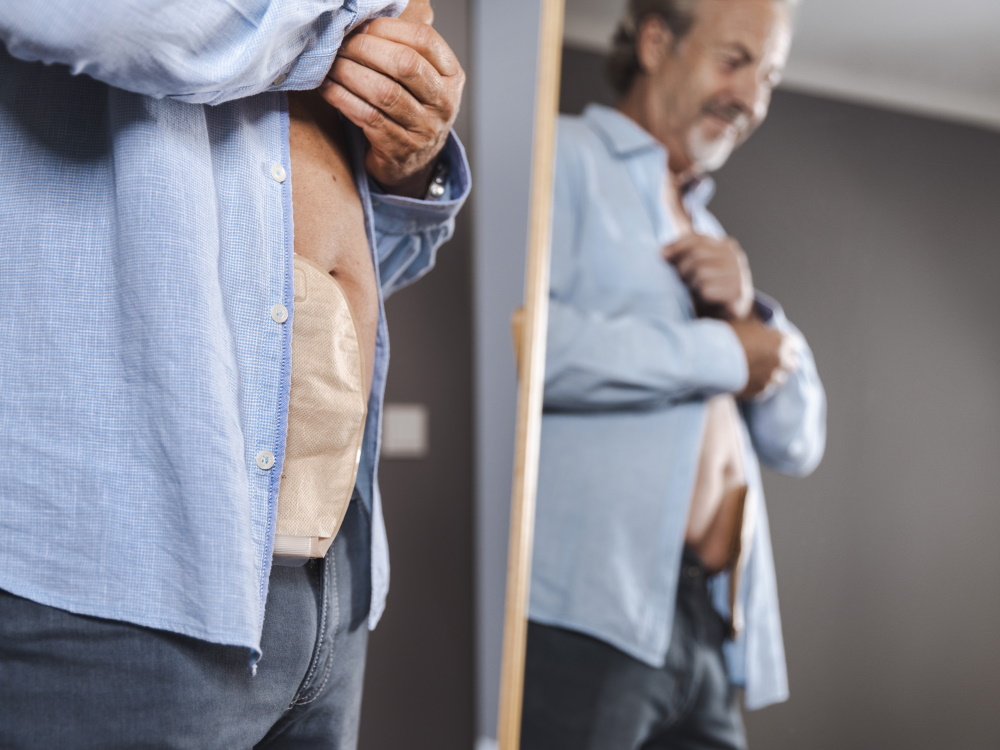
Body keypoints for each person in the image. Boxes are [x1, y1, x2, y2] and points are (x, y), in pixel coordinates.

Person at [0, 0, 469, 747]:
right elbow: (93, 18)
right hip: (125, 576)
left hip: (327, 581)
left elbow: (346, 264)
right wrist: (348, 20)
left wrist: (404, 154)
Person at [522, 0, 826, 748]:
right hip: (586, 615)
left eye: (771, 77)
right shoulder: (563, 157)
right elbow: (538, 350)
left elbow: (801, 440)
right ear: (657, 42)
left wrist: (751, 309)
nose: (753, 100)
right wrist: (728, 354)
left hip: (707, 625)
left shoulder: (714, 238)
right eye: (735, 60)